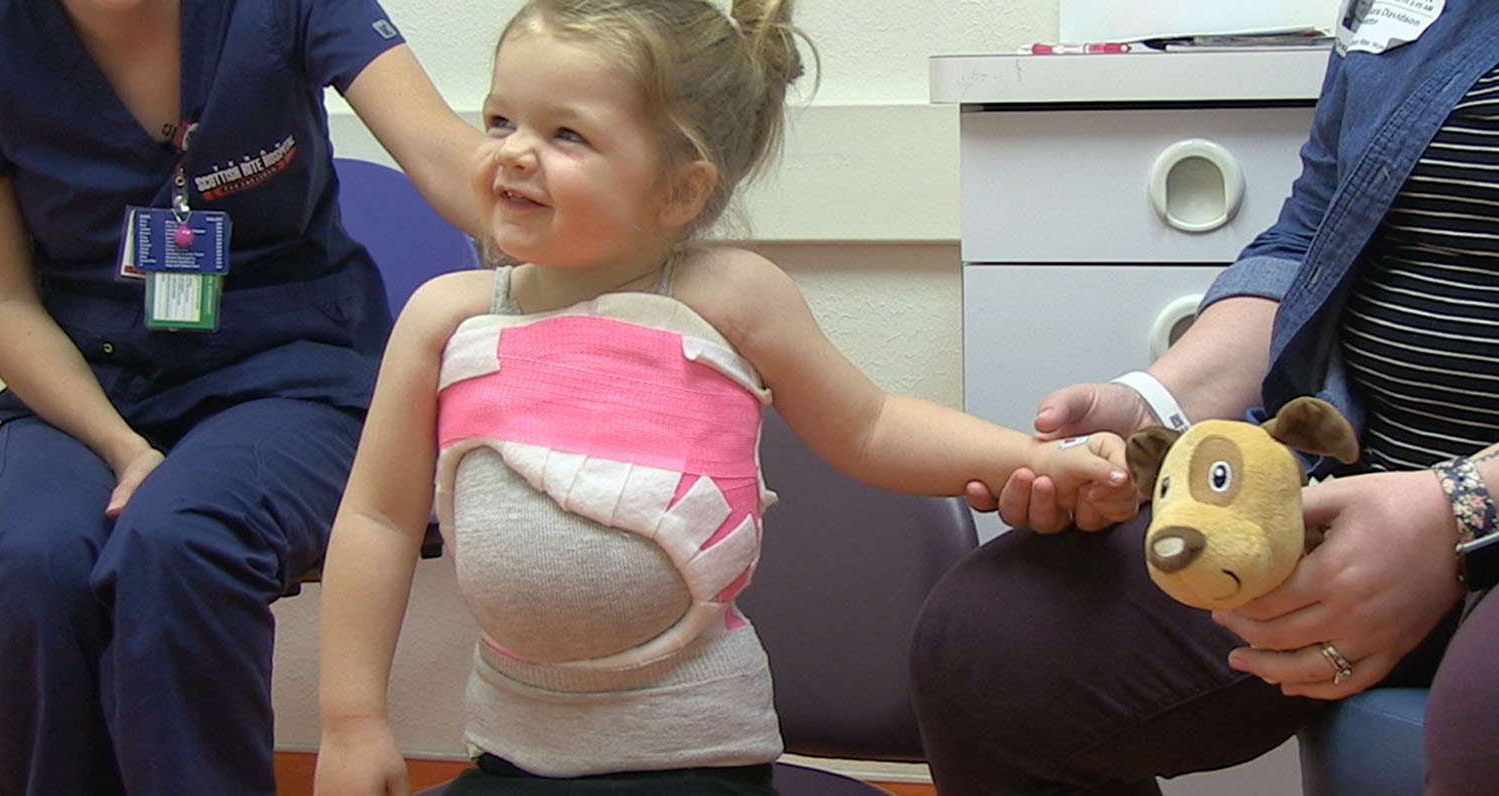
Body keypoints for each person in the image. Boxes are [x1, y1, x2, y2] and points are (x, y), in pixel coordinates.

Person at [312, 1, 1138, 793]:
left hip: (696, 757)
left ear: (680, 190)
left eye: (566, 134)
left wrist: (1036, 458)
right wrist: (352, 723)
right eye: (500, 120)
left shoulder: (725, 295)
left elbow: (872, 426)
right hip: (511, 754)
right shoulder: (448, 317)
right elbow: (379, 519)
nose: (513, 153)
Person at [909, 2, 1499, 793]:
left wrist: (1464, 510)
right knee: (991, 644)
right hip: (1353, 496)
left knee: (1485, 713)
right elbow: (1317, 233)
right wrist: (1157, 406)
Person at [0, 0, 481, 791]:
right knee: (29, 564)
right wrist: (120, 446)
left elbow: (443, 153)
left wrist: (593, 221)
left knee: (180, 541)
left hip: (291, 372)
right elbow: (0, 298)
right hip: (80, 384)